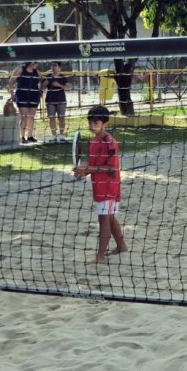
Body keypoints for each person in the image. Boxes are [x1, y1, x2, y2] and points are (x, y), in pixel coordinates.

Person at [73, 106, 127, 264]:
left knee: (104, 219)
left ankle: (100, 256)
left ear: (105, 123)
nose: (91, 125)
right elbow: (94, 164)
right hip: (99, 186)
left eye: (95, 122)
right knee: (109, 218)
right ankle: (121, 246)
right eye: (90, 122)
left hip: (109, 187)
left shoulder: (109, 142)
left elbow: (110, 168)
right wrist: (83, 169)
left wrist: (88, 169)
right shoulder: (93, 141)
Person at [9, 61, 42, 143]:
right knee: (24, 116)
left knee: (31, 116)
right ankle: (22, 136)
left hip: (34, 96)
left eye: (36, 63)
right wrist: (12, 94)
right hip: (22, 95)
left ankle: (30, 136)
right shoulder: (20, 69)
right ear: (29, 62)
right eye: (34, 62)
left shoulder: (37, 71)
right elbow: (11, 82)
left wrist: (41, 91)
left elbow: (43, 81)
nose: (36, 64)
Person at [44, 62, 70, 142]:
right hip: (50, 100)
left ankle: (61, 135)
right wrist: (44, 84)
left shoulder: (63, 77)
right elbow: (42, 87)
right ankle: (54, 136)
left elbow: (68, 88)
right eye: (52, 65)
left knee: (61, 117)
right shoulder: (48, 77)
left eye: (55, 65)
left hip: (61, 100)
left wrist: (59, 85)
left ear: (59, 67)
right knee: (51, 118)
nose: (53, 67)